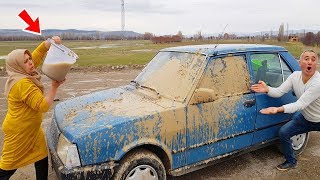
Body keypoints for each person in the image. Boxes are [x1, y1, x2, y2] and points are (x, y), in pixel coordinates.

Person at [0, 36, 65, 180]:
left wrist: (48, 43)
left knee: (41, 157)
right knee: (7, 167)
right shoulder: (22, 83)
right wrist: (54, 86)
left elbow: (35, 57)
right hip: (19, 132)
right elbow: (43, 106)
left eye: (29, 59)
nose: (30, 62)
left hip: (32, 130)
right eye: (26, 61)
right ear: (18, 65)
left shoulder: (20, 72)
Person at [251, 50, 320, 171]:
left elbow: (300, 104)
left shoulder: (317, 82)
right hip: (305, 118)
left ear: (316, 63)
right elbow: (279, 92)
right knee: (284, 133)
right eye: (306, 58)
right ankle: (291, 161)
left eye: (313, 60)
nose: (310, 62)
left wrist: (277, 109)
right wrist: (267, 89)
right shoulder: (294, 77)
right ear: (300, 63)